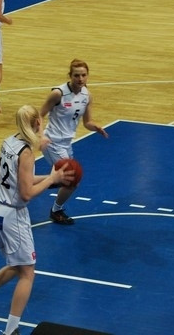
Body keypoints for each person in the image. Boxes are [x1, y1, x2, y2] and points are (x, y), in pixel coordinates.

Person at [0, 105, 73, 335]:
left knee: (16, 265)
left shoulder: (9, 142)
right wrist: (51, 178)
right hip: (13, 216)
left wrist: (52, 179)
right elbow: (26, 193)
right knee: (28, 273)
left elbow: (22, 178)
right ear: (37, 123)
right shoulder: (27, 153)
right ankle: (11, 330)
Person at [39, 59, 108, 225]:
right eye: (76, 75)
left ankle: (37, 183)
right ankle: (55, 209)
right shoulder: (58, 94)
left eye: (84, 75)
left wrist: (95, 127)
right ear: (70, 76)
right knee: (72, 180)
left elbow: (87, 122)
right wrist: (41, 136)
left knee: (66, 180)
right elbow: (39, 115)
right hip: (52, 142)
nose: (80, 79)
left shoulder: (87, 95)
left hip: (67, 143)